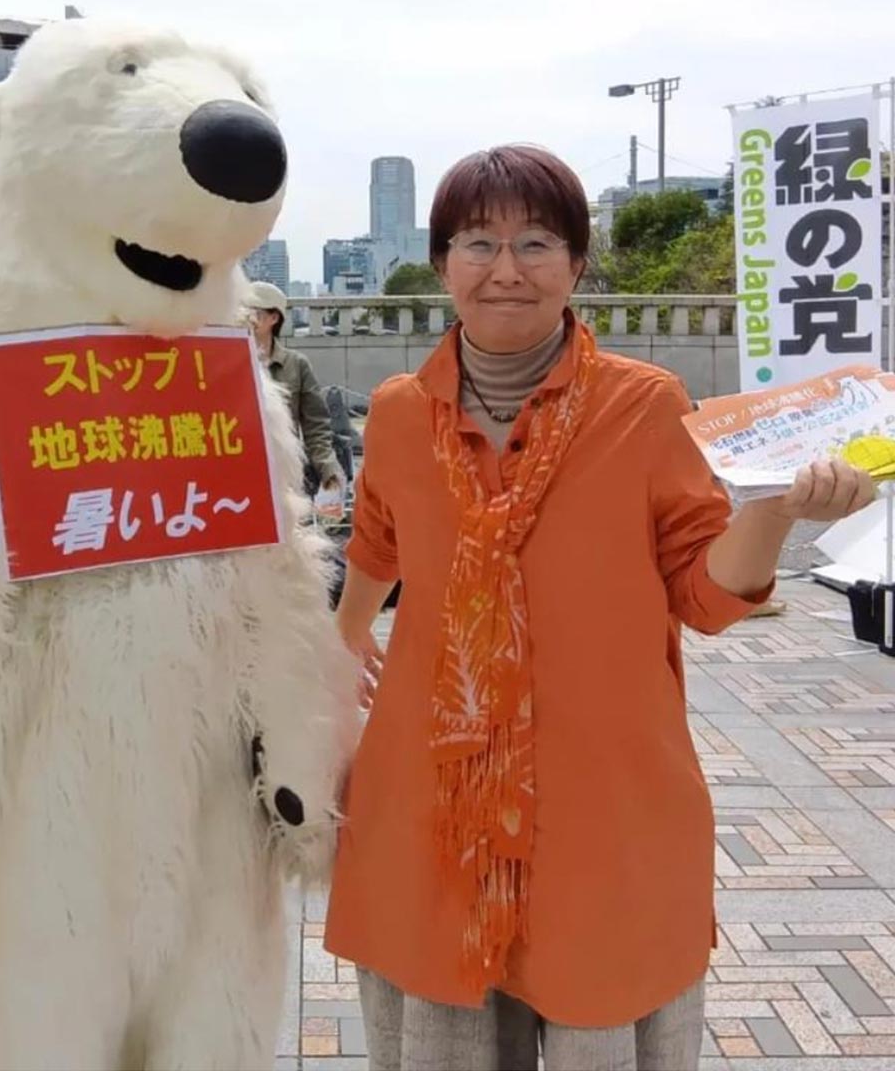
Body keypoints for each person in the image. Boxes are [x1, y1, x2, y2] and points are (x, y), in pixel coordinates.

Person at [324, 144, 873, 1071]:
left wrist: (773, 512)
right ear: (441, 262)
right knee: (442, 1030)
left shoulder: (644, 406)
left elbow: (701, 593)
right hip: (431, 801)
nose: (505, 269)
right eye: (476, 242)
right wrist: (342, 639)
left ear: (578, 264)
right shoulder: (397, 413)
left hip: (602, 803)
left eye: (536, 242)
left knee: (599, 1015)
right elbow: (378, 540)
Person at [243, 280, 345, 496]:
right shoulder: (229, 362)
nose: (247, 318)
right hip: (241, 469)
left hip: (285, 476)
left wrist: (329, 470)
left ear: (274, 318)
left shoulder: (297, 365)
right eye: (244, 311)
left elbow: (316, 426)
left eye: (255, 312)